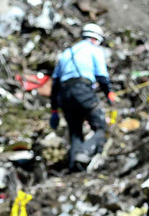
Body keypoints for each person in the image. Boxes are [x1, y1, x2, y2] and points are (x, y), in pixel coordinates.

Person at [49, 23, 116, 172]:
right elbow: (102, 77)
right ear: (96, 39)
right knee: (100, 127)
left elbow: (54, 86)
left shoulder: (66, 53)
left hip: (64, 95)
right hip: (82, 90)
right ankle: (84, 153)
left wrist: (54, 111)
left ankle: (74, 168)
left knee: (75, 133)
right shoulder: (94, 50)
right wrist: (109, 94)